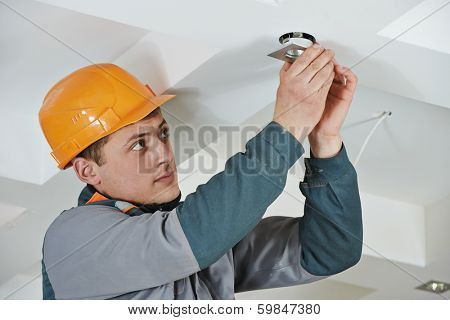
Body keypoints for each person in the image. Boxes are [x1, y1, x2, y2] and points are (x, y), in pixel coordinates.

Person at [39, 43, 362, 299]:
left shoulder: (196, 242)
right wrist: (290, 124)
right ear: (87, 171)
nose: (164, 155)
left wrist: (324, 142)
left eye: (163, 134)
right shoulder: (73, 237)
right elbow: (197, 234)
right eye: (138, 144)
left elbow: (330, 251)